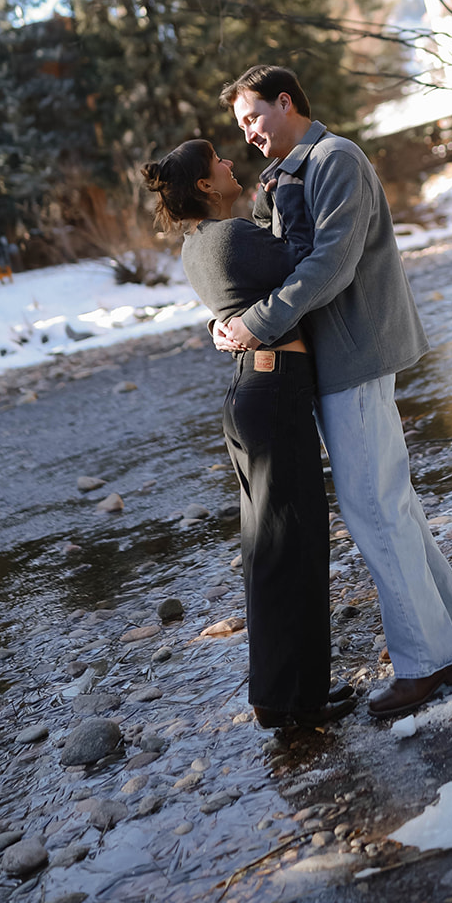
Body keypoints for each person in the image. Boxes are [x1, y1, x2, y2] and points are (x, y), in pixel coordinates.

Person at [213, 65, 452, 719]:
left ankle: (428, 662)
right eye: (239, 126)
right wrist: (234, 311)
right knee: (392, 498)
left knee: (370, 505)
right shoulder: (287, 175)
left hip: (354, 352)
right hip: (338, 357)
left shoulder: (334, 158)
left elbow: (331, 263)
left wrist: (259, 322)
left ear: (285, 100)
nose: (248, 133)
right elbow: (274, 262)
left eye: (253, 116)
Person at [141, 139, 354, 731]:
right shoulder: (232, 237)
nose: (231, 165)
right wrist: (288, 191)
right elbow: (308, 257)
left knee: (269, 551)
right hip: (275, 391)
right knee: (296, 548)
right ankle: (298, 700)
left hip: (250, 396)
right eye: (219, 164)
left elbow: (256, 276)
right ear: (207, 186)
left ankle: (278, 696)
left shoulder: (198, 246)